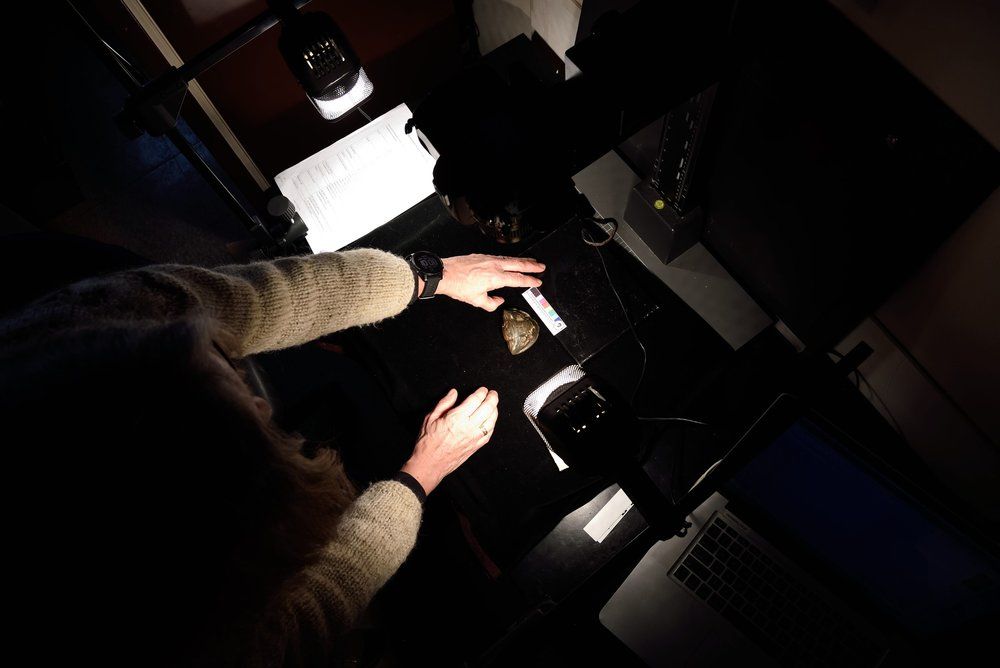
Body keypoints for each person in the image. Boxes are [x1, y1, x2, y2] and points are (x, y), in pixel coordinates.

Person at [0, 248, 545, 666]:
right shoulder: (203, 644)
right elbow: (317, 606)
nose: (263, 401)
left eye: (223, 366)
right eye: (252, 420)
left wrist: (429, 274)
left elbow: (273, 297)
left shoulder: (119, 316)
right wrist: (420, 474)